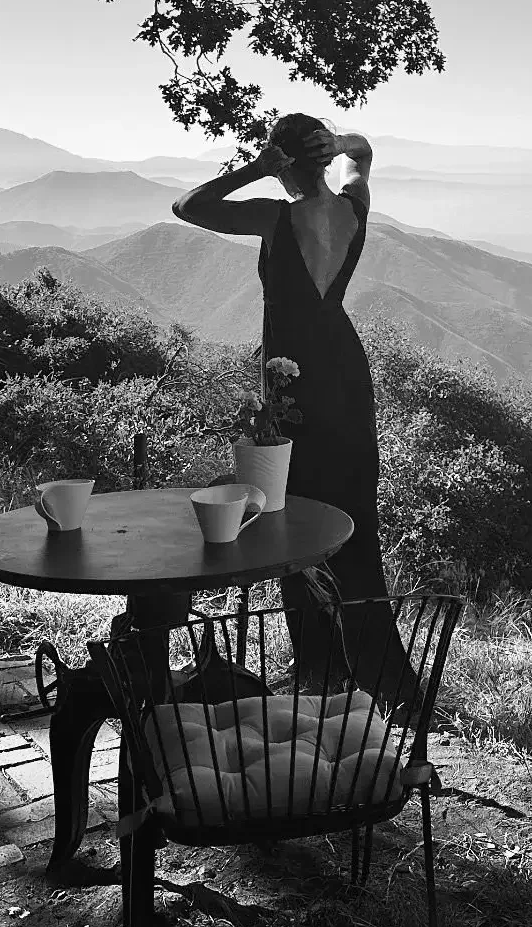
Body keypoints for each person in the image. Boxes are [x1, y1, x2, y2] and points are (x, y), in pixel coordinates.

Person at [171, 114, 415, 709]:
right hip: (344, 370)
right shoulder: (354, 206)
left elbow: (188, 206)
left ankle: (321, 667)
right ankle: (376, 671)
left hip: (294, 378)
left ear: (283, 162)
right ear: (325, 160)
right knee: (353, 514)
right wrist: (342, 147)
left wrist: (258, 166)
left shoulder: (274, 217)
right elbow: (363, 153)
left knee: (295, 512)